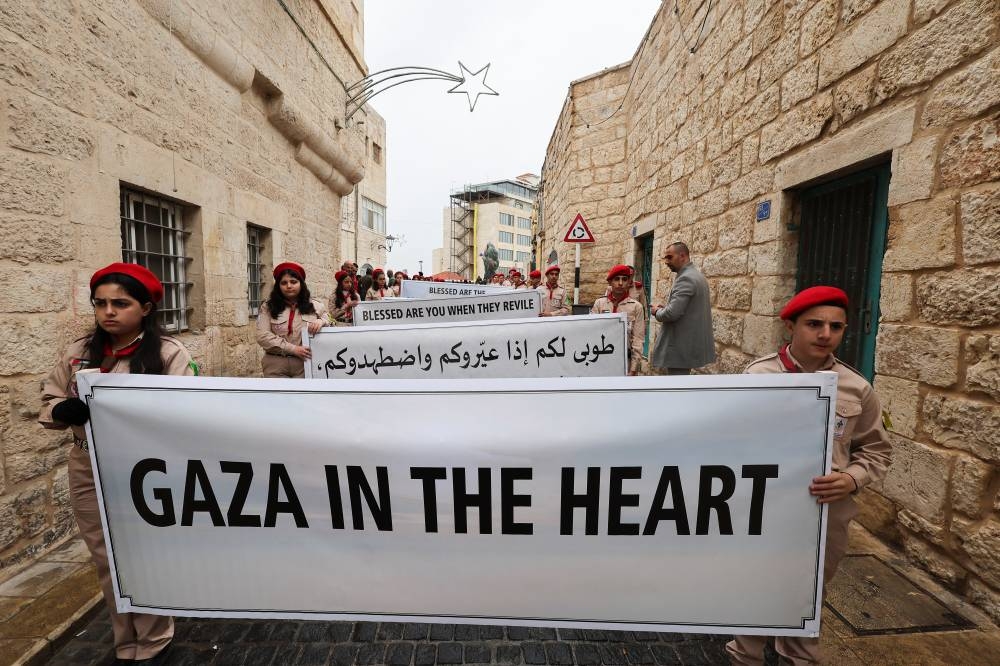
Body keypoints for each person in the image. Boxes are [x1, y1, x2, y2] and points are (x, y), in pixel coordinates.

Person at [39, 262, 197, 665]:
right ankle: (125, 637)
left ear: (144, 308)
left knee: (143, 550)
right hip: (88, 466)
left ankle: (155, 633)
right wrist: (64, 411)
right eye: (100, 303)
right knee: (104, 555)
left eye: (120, 303)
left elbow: (188, 411)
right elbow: (48, 401)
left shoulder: (168, 354)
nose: (108, 312)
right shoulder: (77, 353)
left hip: (145, 470)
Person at [726, 285, 892, 665]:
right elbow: (729, 440)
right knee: (757, 581)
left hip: (825, 511)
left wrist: (851, 479)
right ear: (791, 326)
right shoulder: (757, 376)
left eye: (836, 326)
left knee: (812, 590)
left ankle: (799, 656)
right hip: (763, 505)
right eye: (814, 324)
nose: (825, 335)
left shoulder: (857, 387)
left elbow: (877, 450)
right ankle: (745, 654)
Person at [650, 242, 715, 375]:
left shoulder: (686, 278)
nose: (666, 262)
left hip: (680, 348)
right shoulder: (696, 276)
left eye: (669, 257)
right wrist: (667, 307)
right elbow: (685, 309)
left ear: (682, 256)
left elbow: (671, 314)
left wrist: (657, 311)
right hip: (687, 346)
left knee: (676, 390)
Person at [255, 262, 327, 378]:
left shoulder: (315, 305)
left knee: (303, 396)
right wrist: (293, 349)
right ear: (278, 286)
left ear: (301, 284)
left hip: (305, 364)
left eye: (293, 282)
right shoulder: (268, 307)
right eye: (284, 283)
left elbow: (328, 320)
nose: (289, 286)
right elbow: (262, 336)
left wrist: (321, 321)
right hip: (275, 364)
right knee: (278, 396)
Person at [591, 264, 646, 376]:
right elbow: (592, 332)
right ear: (610, 282)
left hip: (625, 361)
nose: (620, 283)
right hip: (601, 358)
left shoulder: (636, 307)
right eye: (617, 279)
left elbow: (638, 339)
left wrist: (634, 368)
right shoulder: (599, 304)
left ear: (629, 282)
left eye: (624, 279)